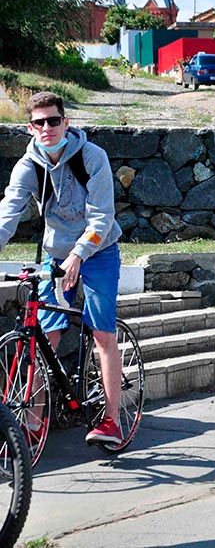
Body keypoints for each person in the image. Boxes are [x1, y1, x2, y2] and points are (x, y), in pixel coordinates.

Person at [0, 91, 124, 444]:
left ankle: (111, 420)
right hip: (55, 256)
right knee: (42, 338)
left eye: (54, 120)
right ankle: (32, 424)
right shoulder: (28, 165)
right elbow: (7, 215)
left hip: (98, 251)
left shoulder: (91, 156)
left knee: (102, 333)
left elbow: (102, 217)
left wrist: (80, 253)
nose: (47, 128)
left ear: (66, 122)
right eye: (39, 122)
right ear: (30, 128)